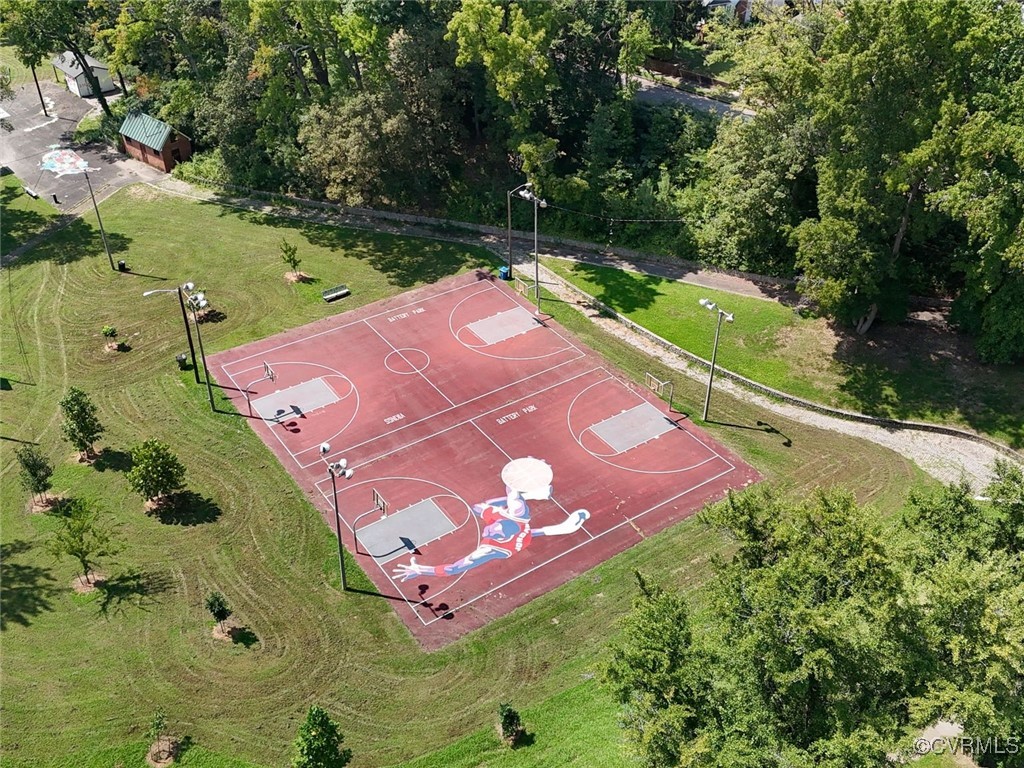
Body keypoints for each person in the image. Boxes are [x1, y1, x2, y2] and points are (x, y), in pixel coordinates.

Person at [393, 457, 589, 581]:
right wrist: (532, 469)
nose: (488, 529)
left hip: (515, 544)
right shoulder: (517, 513)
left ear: (501, 537)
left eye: (493, 532)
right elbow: (512, 488)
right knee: (484, 506)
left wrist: (421, 570)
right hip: (520, 529)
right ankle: (536, 497)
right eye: (494, 526)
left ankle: (543, 505)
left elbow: (454, 569)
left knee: (484, 509)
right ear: (504, 519)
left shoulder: (489, 549)